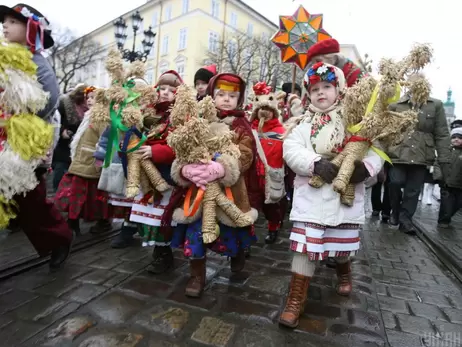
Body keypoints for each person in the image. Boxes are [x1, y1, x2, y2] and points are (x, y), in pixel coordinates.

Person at [279, 62, 383, 328]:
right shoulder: (302, 124)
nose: (321, 93)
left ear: (340, 90)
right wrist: (314, 163)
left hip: (343, 198)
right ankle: (295, 299)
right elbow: (291, 149)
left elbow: (373, 149)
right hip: (311, 196)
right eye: (315, 89)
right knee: (305, 247)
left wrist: (365, 169)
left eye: (327, 87)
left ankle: (344, 271)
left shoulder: (354, 121)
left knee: (341, 246)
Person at [170, 73, 258, 297]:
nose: (226, 99)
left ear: (239, 99)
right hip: (197, 190)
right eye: (221, 94)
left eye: (232, 95)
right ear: (211, 95)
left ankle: (237, 255)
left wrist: (222, 167)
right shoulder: (198, 120)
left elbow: (246, 154)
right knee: (196, 235)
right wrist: (185, 169)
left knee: (231, 232)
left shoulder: (241, 125)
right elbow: (183, 148)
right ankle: (197, 275)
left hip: (230, 191)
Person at [0, 3, 73, 271]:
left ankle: (59, 239)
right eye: (4, 21)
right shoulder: (3, 56)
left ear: (30, 28)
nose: (5, 26)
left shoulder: (37, 62)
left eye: (12, 22)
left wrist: (16, 111)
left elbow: (49, 100)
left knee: (30, 199)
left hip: (22, 144)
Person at [129, 70, 184, 274]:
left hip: (166, 173)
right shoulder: (148, 113)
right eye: (162, 89)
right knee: (150, 215)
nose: (165, 93)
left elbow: (180, 146)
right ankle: (158, 250)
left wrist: (155, 150)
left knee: (164, 216)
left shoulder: (179, 116)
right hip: (146, 171)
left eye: (171, 90)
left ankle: (164, 253)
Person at [54, 86, 115, 236]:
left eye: (93, 97)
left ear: (101, 100)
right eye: (88, 97)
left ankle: (93, 221)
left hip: (91, 163)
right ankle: (74, 221)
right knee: (76, 193)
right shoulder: (90, 115)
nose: (89, 100)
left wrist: (101, 160)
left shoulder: (102, 117)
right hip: (81, 161)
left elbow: (106, 140)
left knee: (89, 195)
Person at [387, 94, 451, 234]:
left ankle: (405, 220)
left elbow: (441, 134)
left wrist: (444, 158)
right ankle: (395, 211)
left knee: (413, 190)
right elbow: (386, 129)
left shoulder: (435, 105)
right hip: (398, 153)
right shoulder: (396, 104)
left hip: (422, 154)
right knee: (395, 182)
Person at [249, 82, 286, 244]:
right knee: (250, 206)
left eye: (268, 110)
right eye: (261, 110)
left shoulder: (281, 131)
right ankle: (248, 235)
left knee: (272, 207)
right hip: (253, 175)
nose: (264, 113)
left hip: (272, 175)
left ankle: (273, 227)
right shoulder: (250, 129)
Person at [52, 85, 89, 191]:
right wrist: (62, 130)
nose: (88, 100)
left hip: (78, 146)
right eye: (86, 97)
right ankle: (57, 193)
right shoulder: (64, 103)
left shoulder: (88, 108)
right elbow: (55, 121)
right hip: (63, 144)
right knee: (60, 170)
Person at [435, 127, 462, 228]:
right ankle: (443, 221)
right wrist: (438, 176)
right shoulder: (445, 151)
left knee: (458, 204)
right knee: (446, 204)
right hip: (446, 183)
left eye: (459, 137)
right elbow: (437, 164)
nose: (456, 139)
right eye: (454, 137)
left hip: (459, 185)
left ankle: (448, 215)